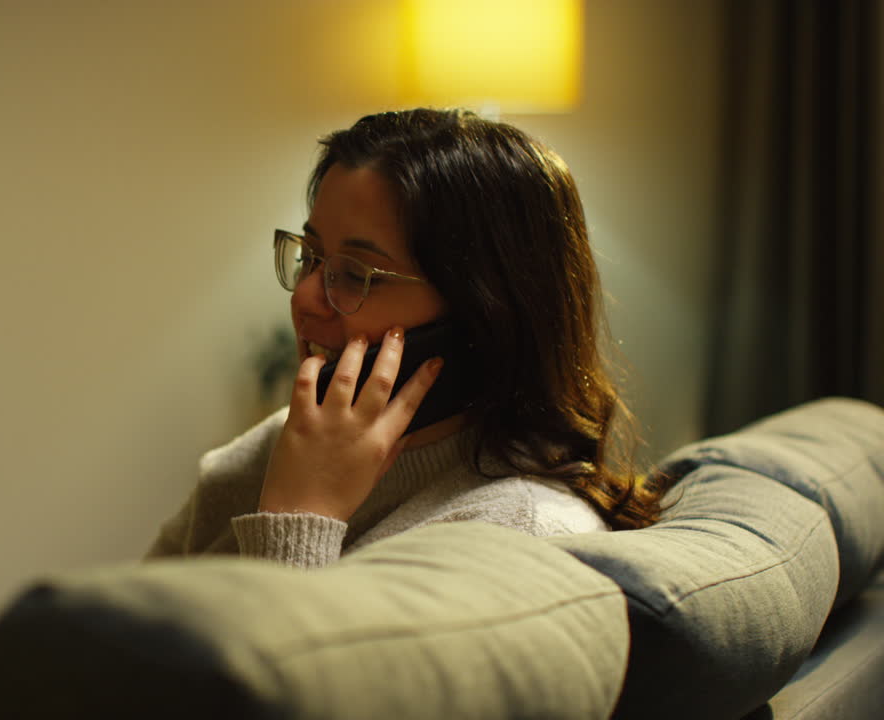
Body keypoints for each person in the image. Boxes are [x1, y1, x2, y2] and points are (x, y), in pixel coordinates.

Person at [145, 108, 666, 570]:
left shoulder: (520, 532)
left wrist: (299, 517)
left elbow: (289, 679)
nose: (305, 298)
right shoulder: (290, 442)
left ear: (480, 315)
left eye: (354, 273)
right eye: (310, 255)